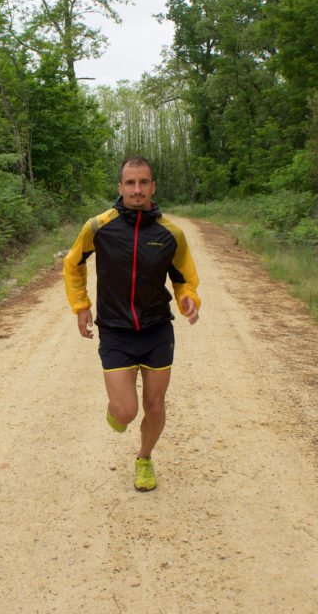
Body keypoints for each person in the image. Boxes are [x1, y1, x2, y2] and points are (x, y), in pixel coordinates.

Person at [63, 156, 200, 492]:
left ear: (153, 187)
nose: (137, 189)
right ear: (120, 187)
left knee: (155, 405)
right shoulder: (98, 227)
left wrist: (189, 299)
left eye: (144, 183)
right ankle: (119, 412)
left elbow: (185, 279)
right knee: (125, 413)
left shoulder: (172, 234)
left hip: (156, 330)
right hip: (115, 332)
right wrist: (81, 306)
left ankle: (144, 458)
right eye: (130, 183)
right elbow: (73, 264)